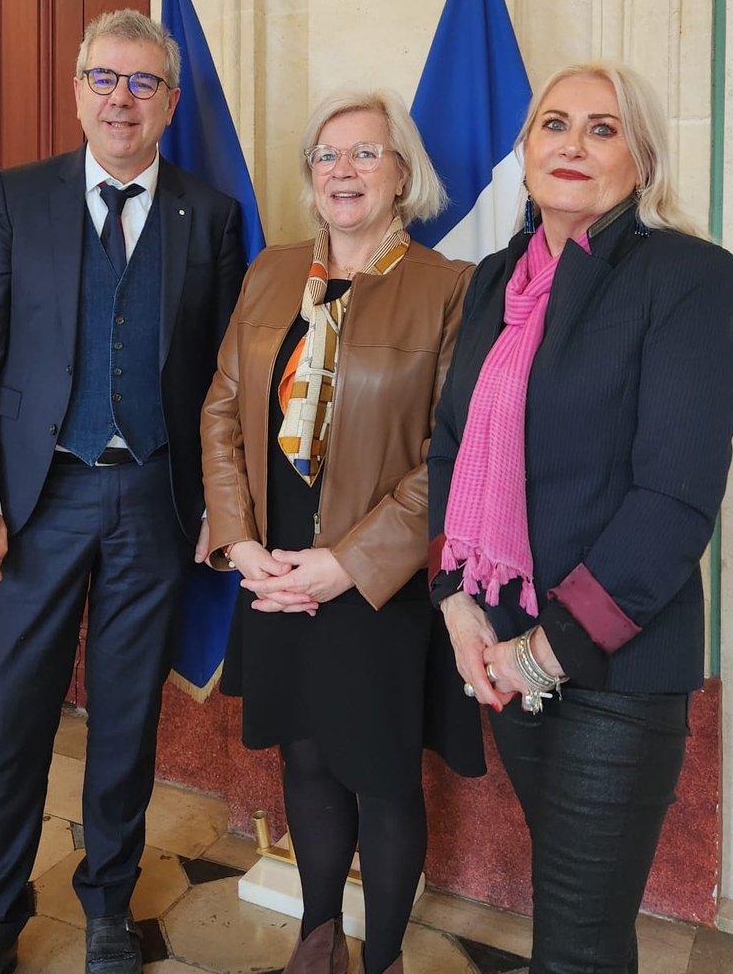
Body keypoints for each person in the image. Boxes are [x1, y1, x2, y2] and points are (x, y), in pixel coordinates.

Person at [0, 9, 245, 974]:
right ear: (77, 93)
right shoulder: (17, 200)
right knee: (11, 721)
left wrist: (219, 510)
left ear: (170, 101)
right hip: (37, 504)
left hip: (153, 506)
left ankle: (107, 903)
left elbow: (224, 381)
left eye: (143, 82)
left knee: (125, 721)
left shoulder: (212, 214)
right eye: (104, 79)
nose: (122, 98)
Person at [428, 62, 733, 974]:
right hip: (500, 647)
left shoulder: (687, 277)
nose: (572, 144)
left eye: (602, 129)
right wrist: (457, 603)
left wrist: (542, 649)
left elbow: (675, 500)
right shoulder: (495, 279)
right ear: (524, 152)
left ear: (639, 160)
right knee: (577, 921)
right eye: (553, 124)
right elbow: (451, 445)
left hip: (614, 669)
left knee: (575, 940)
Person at [201, 89, 483, 974]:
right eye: (327, 155)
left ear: (403, 174)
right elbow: (221, 410)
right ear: (310, 177)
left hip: (374, 581)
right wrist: (243, 546)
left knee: (381, 774)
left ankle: (385, 955)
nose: (344, 171)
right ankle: (317, 934)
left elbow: (454, 453)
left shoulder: (450, 288)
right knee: (309, 755)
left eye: (366, 153)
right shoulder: (270, 272)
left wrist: (344, 565)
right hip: (273, 567)